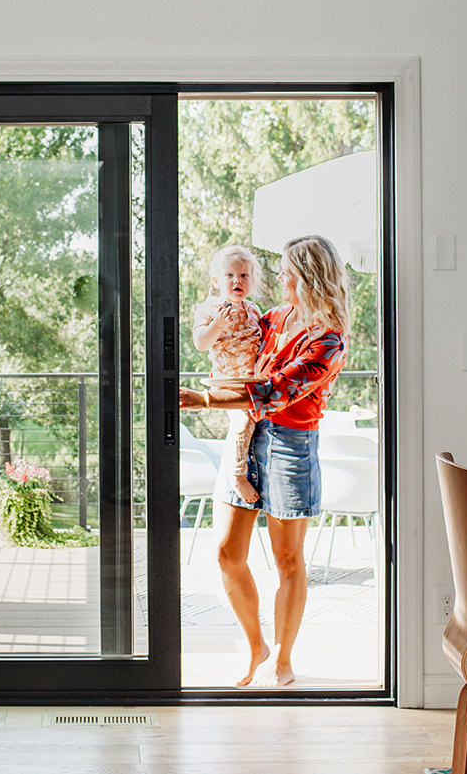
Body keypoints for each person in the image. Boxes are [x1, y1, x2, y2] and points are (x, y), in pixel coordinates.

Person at [179, 234, 349, 687]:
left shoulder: (328, 339)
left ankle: (283, 660)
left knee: (288, 560)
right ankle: (256, 647)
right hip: (246, 435)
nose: (278, 276)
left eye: (286, 270)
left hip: (290, 446)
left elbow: (276, 391)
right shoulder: (272, 318)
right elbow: (230, 351)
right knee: (226, 553)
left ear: (307, 277)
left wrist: (204, 399)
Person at [191, 245, 265, 506]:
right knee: (243, 420)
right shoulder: (210, 308)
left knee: (257, 419)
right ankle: (237, 474)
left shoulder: (253, 309)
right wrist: (217, 325)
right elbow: (201, 343)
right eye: (230, 275)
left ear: (252, 281)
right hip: (226, 380)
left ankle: (248, 465)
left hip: (251, 379)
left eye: (244, 276)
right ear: (216, 281)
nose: (237, 281)